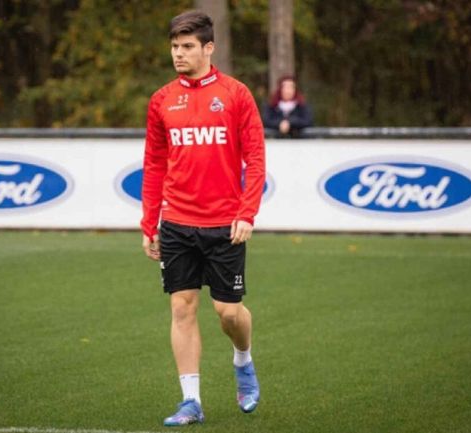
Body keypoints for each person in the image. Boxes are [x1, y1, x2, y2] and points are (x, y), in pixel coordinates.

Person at [140, 10, 266, 427]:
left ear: (208, 48)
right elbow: (154, 164)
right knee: (182, 308)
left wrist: (247, 212)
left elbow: (256, 159)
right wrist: (149, 223)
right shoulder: (161, 100)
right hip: (176, 222)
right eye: (175, 46)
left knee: (228, 313)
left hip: (225, 223)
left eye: (188, 46)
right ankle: (190, 401)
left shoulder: (235, 95)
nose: (179, 53)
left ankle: (243, 360)